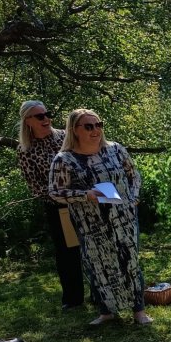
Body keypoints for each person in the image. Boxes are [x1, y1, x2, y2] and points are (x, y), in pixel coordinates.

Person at [48, 109, 151, 326]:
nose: (95, 130)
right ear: (74, 130)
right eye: (88, 126)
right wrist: (85, 195)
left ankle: (139, 311)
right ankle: (107, 311)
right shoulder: (64, 159)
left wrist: (133, 199)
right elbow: (55, 192)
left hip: (123, 217)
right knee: (98, 264)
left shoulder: (115, 149)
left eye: (98, 125)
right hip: (90, 223)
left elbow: (134, 176)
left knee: (129, 260)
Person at [16, 100, 85, 310]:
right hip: (57, 207)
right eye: (40, 116)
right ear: (28, 121)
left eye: (48, 114)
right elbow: (35, 186)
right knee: (67, 252)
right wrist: (61, 197)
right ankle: (73, 299)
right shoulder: (25, 150)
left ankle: (101, 294)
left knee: (92, 246)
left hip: (85, 200)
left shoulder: (66, 137)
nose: (46, 119)